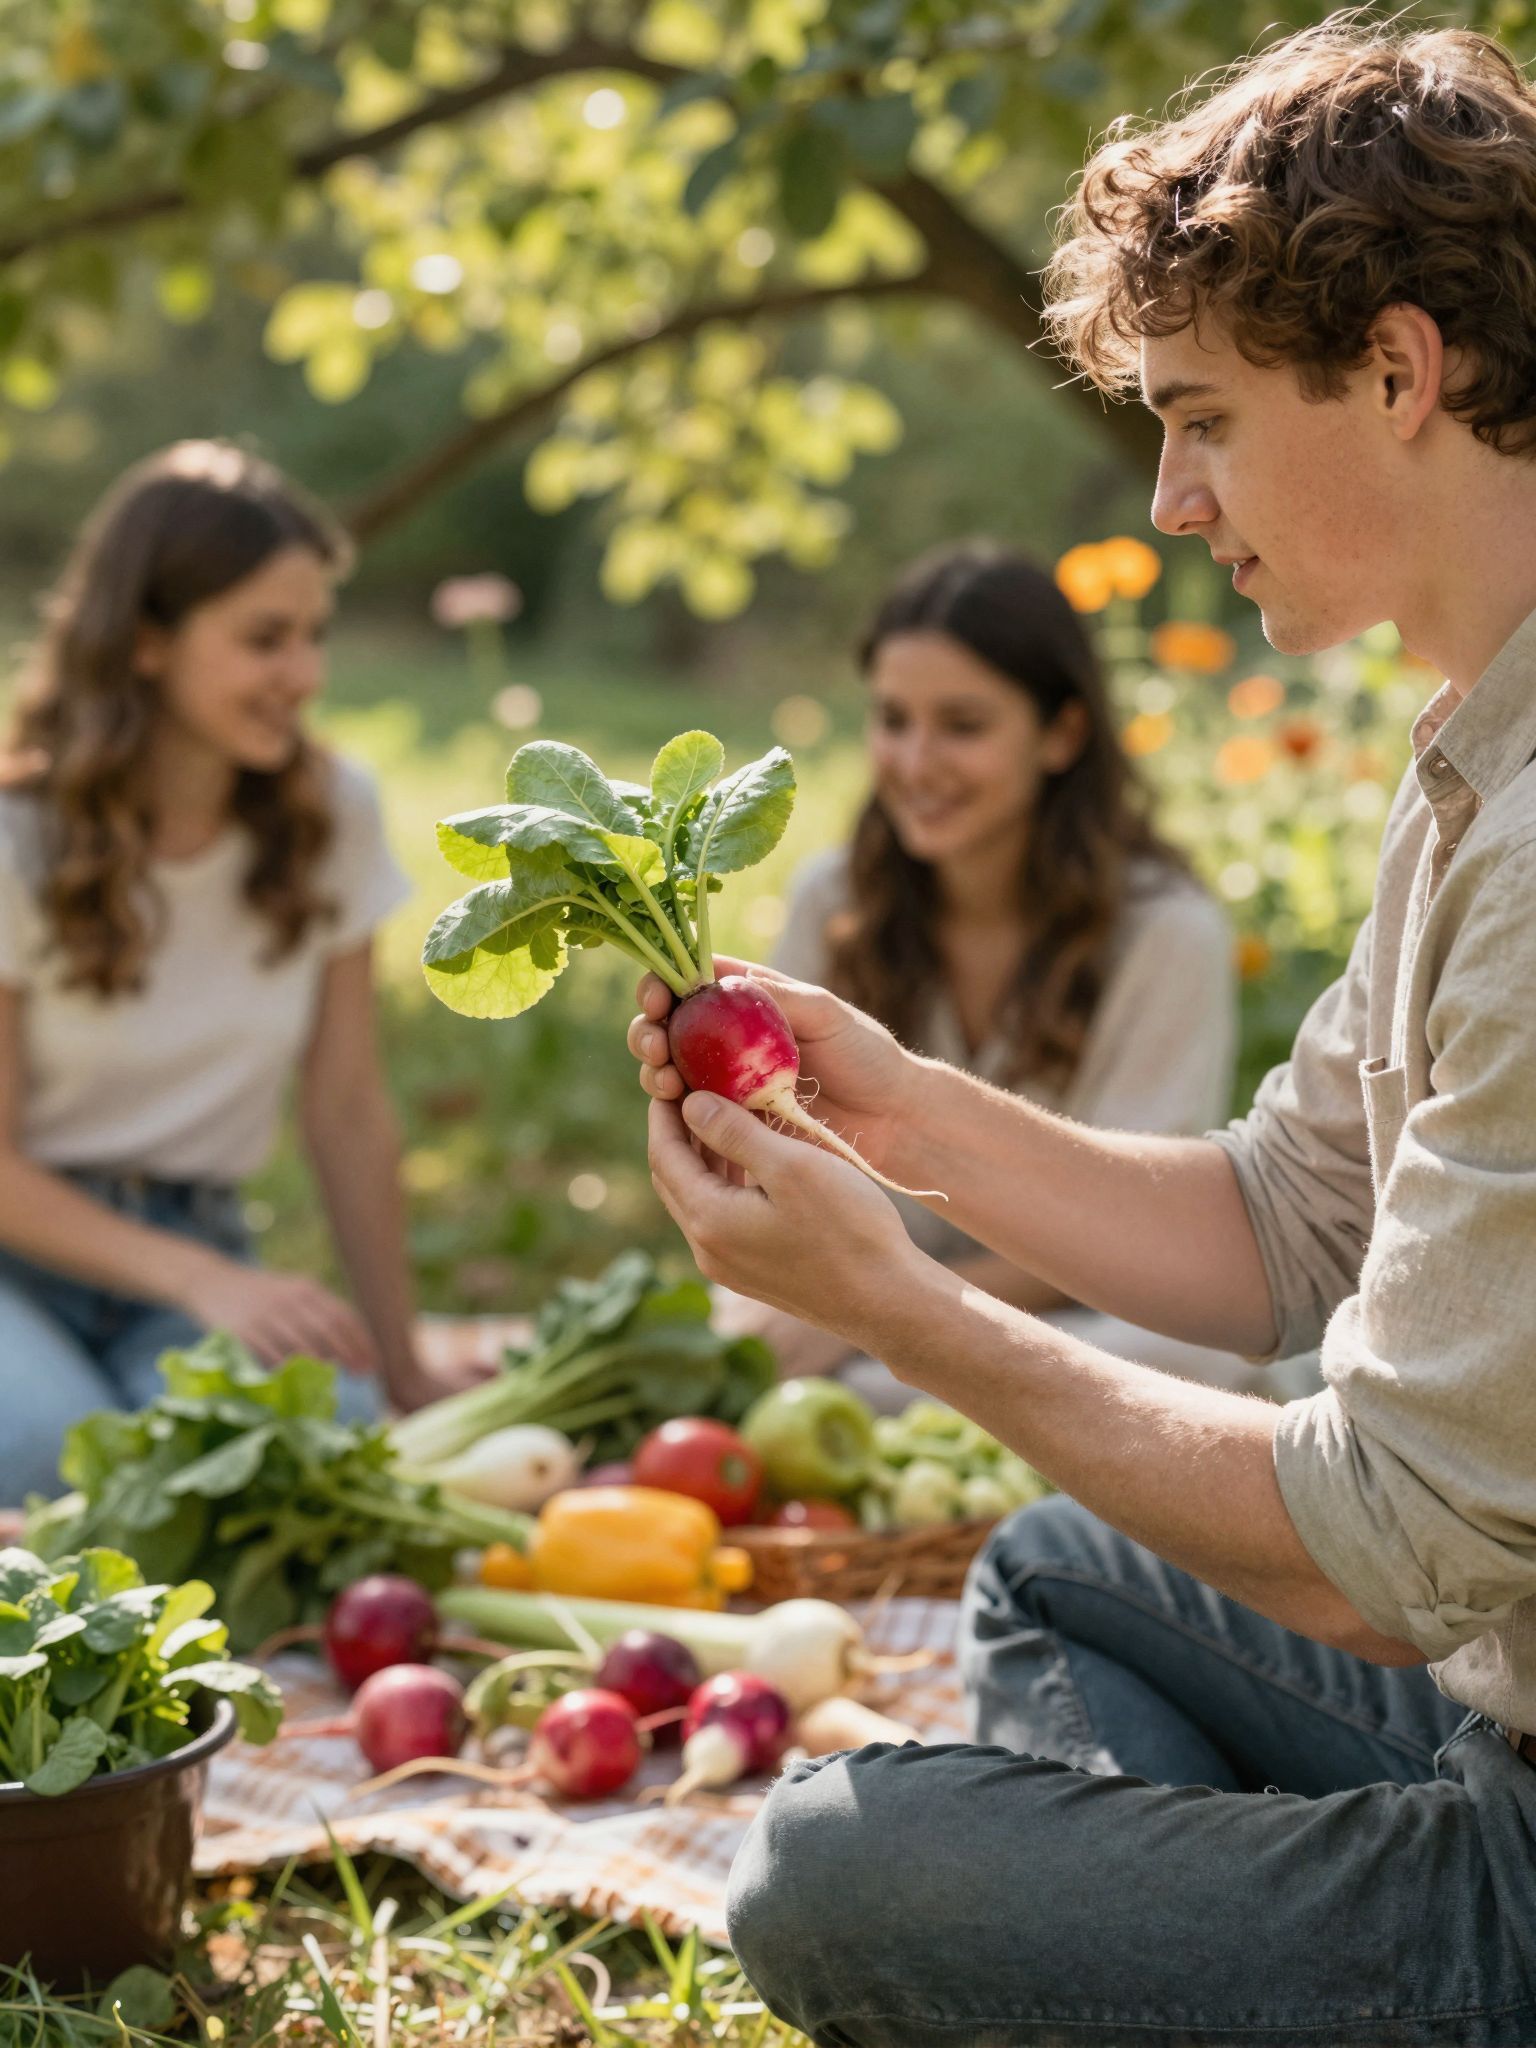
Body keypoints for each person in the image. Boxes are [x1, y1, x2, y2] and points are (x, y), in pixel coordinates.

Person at [631, 17, 1536, 2044]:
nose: (1171, 492)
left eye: (1201, 417)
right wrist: (900, 1105)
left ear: (1399, 371)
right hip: (1487, 1694)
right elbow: (1280, 1218)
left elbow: (1376, 1552)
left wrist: (909, 1312)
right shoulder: (1473, 749)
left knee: (832, 1870)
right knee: (1060, 1561)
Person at [0, 440, 446, 1507]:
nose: (306, 674)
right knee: (57, 1457)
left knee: (310, 1453)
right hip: (21, 1262)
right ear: (146, 640)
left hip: (198, 1248)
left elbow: (347, 1113)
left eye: (313, 635)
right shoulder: (17, 837)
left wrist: (404, 1363)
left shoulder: (331, 816)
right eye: (264, 638)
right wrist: (203, 1280)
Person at [743, 538, 1289, 1406]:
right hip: (846, 1321)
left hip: (1056, 1327)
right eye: (893, 720)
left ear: (1062, 732)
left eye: (962, 726)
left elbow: (1131, 1234)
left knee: (1204, 1371)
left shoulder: (1165, 932)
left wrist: (886, 1313)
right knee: (732, 1339)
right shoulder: (833, 899)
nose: (916, 764)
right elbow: (774, 1172)